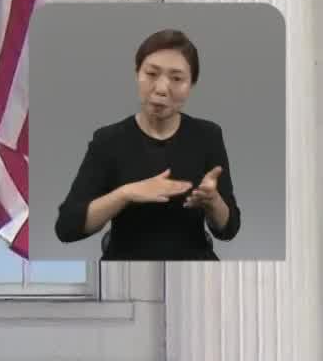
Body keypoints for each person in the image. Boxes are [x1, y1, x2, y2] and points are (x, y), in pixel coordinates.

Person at [52, 28, 241, 260]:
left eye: (177, 78)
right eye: (151, 74)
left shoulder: (207, 135)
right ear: (137, 74)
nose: (161, 89)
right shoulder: (108, 140)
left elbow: (229, 229)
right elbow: (67, 228)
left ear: (191, 84)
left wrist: (213, 201)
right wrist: (125, 194)